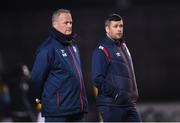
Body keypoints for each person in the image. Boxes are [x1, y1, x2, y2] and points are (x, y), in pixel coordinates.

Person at [30, 9, 88, 122]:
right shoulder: (47, 49)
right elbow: (36, 79)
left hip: (77, 110)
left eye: (71, 22)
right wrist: (38, 97)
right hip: (58, 112)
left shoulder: (73, 45)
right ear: (55, 24)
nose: (69, 25)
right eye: (65, 23)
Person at [91, 13, 141, 122]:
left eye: (121, 26)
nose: (119, 29)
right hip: (112, 107)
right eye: (115, 26)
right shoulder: (102, 49)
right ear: (107, 29)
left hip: (128, 105)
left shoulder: (123, 46)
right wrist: (117, 94)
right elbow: (97, 79)